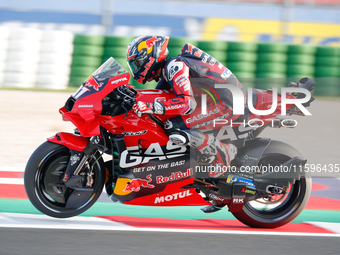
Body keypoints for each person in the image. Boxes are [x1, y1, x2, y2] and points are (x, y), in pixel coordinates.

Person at [126, 35, 245, 177]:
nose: (136, 68)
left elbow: (187, 103)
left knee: (172, 126)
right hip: (215, 101)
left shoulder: (175, 66)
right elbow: (157, 95)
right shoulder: (168, 70)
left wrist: (149, 106)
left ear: (150, 56)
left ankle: (223, 151)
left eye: (136, 63)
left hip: (227, 104)